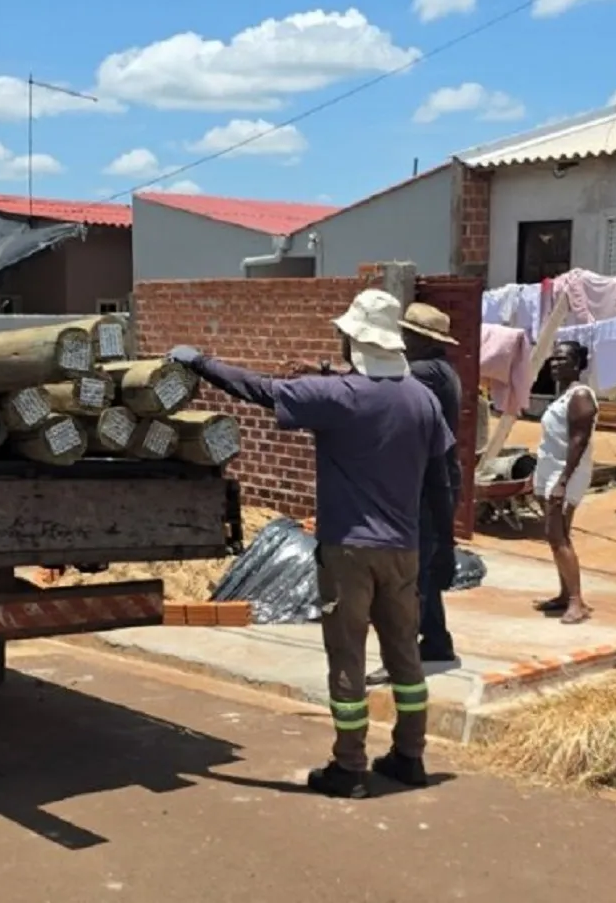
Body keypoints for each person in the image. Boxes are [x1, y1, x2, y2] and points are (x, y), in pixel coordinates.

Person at [168, 289, 456, 799]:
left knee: (346, 656)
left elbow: (261, 389)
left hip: (348, 551)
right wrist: (444, 544)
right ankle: (410, 756)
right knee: (405, 660)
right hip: (405, 550)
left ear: (358, 340)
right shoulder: (422, 399)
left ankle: (349, 767)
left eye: (345, 334)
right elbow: (441, 478)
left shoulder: (340, 398)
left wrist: (200, 362)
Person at [367, 303, 462, 685]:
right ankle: (436, 642)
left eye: (407, 334)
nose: (401, 340)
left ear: (422, 340)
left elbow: (379, 384)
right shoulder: (443, 372)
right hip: (437, 479)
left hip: (426, 484)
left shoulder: (424, 373)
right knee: (423, 567)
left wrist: (326, 376)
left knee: (409, 577)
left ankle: (399, 659)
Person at [532, 340, 598, 625]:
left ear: (577, 364)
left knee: (557, 535)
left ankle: (576, 601)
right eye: (554, 358)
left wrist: (562, 481)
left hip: (565, 473)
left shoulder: (581, 395)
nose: (556, 364)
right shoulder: (564, 395)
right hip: (551, 471)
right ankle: (564, 594)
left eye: (563, 359)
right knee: (557, 535)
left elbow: (578, 441)